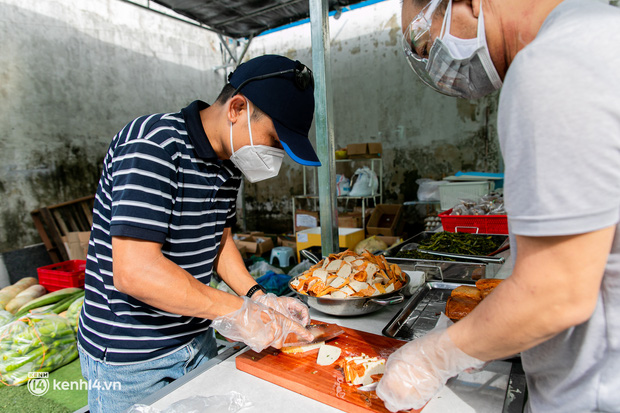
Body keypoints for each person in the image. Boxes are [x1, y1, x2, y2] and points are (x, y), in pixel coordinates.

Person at [377, 1, 620, 412]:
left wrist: (434, 356)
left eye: (424, 42)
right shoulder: (601, 34)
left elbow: (554, 292)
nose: (432, 63)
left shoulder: (553, 64)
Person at [77, 54, 321, 413]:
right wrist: (239, 311)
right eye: (273, 139)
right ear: (236, 108)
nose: (274, 155)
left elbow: (218, 242)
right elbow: (135, 272)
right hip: (132, 357)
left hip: (196, 337)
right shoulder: (153, 144)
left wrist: (258, 298)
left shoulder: (229, 166)